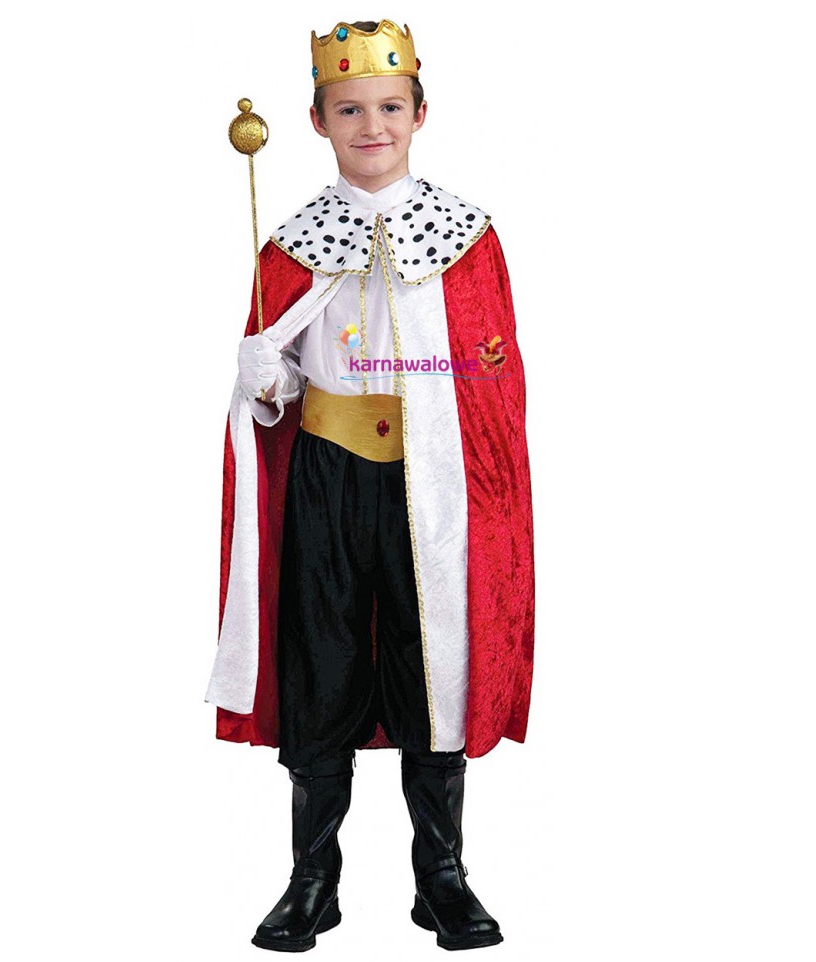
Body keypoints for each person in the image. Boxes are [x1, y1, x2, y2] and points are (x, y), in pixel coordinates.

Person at [204, 19, 535, 952]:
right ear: (318, 122)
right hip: (327, 478)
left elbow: (493, 374)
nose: (372, 126)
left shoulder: (467, 237)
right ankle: (313, 882)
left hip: (434, 488)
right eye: (349, 110)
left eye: (390, 107)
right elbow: (277, 381)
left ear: (421, 114)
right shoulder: (293, 243)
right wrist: (262, 379)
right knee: (321, 662)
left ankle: (442, 879)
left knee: (435, 664)